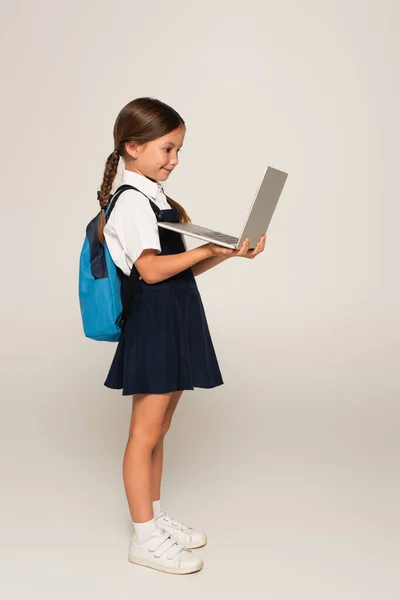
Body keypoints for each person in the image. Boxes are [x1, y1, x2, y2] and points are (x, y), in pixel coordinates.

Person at [97, 97, 266, 574]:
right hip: (153, 323)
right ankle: (143, 537)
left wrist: (228, 252)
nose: (174, 160)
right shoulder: (130, 202)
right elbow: (150, 271)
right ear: (132, 147)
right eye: (167, 149)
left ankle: (152, 515)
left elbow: (180, 270)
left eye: (178, 151)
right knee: (143, 433)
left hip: (175, 316)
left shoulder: (157, 199)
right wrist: (205, 248)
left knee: (162, 428)